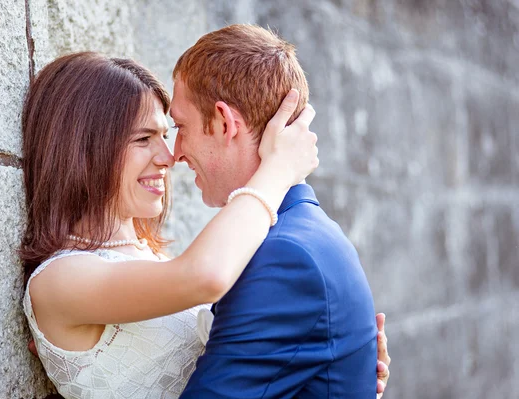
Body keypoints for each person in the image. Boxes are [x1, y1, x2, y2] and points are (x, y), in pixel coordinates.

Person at [21, 51, 389, 398]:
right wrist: (277, 169)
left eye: (165, 135)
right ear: (85, 148)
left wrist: (330, 366)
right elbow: (205, 277)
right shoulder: (58, 280)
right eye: (143, 138)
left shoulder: (151, 259)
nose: (168, 156)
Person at [170, 24, 387, 398]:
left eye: (180, 126)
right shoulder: (297, 236)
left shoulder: (286, 256)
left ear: (224, 123)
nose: (174, 152)